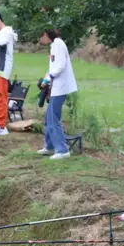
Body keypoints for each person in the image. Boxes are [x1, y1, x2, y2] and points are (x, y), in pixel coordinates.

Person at [36, 29, 78, 160]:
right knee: (49, 118)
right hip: (57, 87)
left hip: (60, 88)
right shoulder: (55, 45)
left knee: (53, 118)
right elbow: (54, 66)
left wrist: (48, 79)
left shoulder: (58, 45)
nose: (40, 40)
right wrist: (47, 76)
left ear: (46, 35)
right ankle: (50, 147)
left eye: (41, 36)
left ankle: (62, 150)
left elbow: (59, 66)